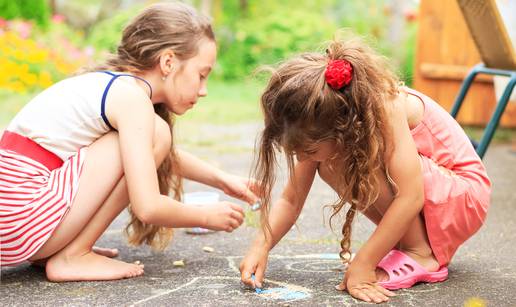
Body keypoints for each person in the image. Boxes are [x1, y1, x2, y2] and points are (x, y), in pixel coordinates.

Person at [0, 2, 259, 282]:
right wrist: (205, 216)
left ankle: (63, 250)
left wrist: (222, 180)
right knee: (158, 132)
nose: (204, 90)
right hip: (21, 215)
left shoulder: (112, 86)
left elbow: (144, 156)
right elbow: (147, 206)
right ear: (168, 62)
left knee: (154, 134)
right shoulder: (131, 99)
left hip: (13, 221)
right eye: (201, 74)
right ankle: (73, 256)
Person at [239, 36, 491, 303]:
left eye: (309, 151)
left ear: (339, 125)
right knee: (333, 162)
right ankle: (409, 243)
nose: (303, 158)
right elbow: (291, 199)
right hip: (437, 195)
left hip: (464, 195)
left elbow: (410, 196)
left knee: (345, 160)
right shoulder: (325, 121)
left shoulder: (386, 105)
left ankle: (419, 252)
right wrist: (261, 246)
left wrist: (364, 263)